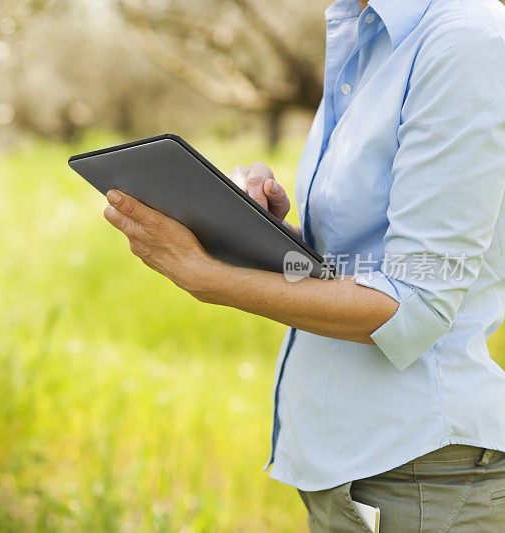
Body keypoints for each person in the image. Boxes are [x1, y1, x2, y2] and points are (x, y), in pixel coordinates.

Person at [102, 0, 505, 530]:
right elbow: (355, 261)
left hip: (421, 475)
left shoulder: (464, 42)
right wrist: (248, 232)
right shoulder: (365, 38)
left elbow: (413, 303)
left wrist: (209, 278)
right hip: (349, 469)